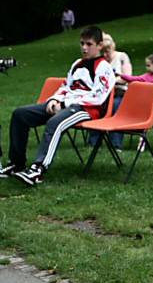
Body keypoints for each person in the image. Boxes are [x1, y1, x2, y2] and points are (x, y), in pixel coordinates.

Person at [0, 26, 114, 186]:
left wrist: (65, 103)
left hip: (86, 110)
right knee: (20, 114)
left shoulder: (104, 67)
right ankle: (16, 164)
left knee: (55, 122)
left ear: (100, 45)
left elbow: (98, 97)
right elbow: (66, 86)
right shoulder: (77, 64)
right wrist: (54, 100)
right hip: (64, 104)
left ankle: (38, 169)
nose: (84, 48)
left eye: (89, 44)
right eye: (82, 43)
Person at [88, 33, 132, 150]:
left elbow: (126, 77)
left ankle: (116, 144)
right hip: (103, 94)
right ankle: (93, 143)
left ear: (113, 47)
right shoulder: (99, 60)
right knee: (94, 107)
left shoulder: (122, 57)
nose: (106, 55)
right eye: (103, 52)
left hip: (120, 94)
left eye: (108, 51)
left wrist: (109, 81)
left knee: (116, 108)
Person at [120, 54, 153, 147]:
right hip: (147, 103)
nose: (146, 67)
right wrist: (121, 75)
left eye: (148, 65)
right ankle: (142, 138)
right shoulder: (146, 77)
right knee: (145, 117)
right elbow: (133, 79)